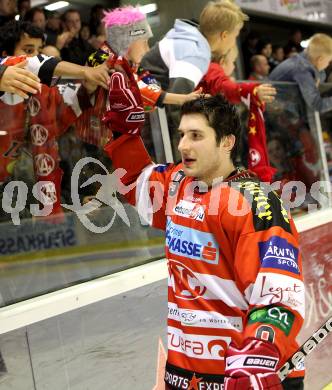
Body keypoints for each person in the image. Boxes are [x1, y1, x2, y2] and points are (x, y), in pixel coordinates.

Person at [101, 91, 305, 389]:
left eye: (196, 135)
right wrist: (123, 133)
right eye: (182, 134)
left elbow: (280, 294)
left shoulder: (255, 203)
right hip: (186, 376)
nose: (183, 145)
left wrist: (260, 354)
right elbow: (136, 181)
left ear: (226, 142)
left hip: (250, 377)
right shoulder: (177, 184)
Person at [140, 0, 248, 144]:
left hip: (146, 106)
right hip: (148, 118)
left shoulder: (190, 36)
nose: (234, 42)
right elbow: (178, 102)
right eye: (235, 36)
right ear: (224, 35)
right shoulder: (195, 54)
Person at [198, 46, 277, 182]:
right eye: (233, 62)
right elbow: (223, 86)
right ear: (222, 62)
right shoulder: (213, 68)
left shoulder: (207, 72)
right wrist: (250, 90)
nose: (234, 67)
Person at [270, 33, 332, 115]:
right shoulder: (302, 70)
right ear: (320, 59)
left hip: (281, 111)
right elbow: (317, 105)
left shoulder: (304, 59)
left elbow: (321, 75)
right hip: (275, 114)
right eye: (329, 61)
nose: (328, 64)